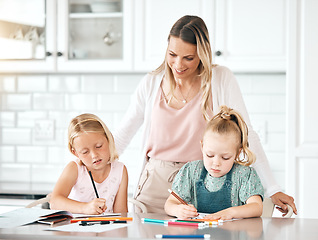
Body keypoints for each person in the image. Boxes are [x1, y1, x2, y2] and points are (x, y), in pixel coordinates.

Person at [114, 15, 297, 215]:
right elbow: (123, 133)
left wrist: (272, 188)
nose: (178, 64)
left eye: (188, 58)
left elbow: (247, 133)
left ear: (202, 54)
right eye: (172, 54)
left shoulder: (220, 79)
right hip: (154, 185)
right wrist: (89, 160)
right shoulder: (151, 82)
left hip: (198, 183)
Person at [165, 106, 264, 220]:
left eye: (225, 157)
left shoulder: (244, 175)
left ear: (237, 153)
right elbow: (170, 203)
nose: (216, 163)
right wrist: (178, 210)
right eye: (210, 155)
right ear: (202, 146)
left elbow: (257, 207)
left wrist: (230, 213)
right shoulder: (191, 171)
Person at [50, 113, 128, 214]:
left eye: (99, 146)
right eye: (85, 152)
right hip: (76, 228)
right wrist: (85, 208)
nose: (94, 155)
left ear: (109, 139)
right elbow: (54, 202)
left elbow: (121, 214)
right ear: (76, 153)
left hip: (106, 229)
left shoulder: (120, 170)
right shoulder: (74, 168)